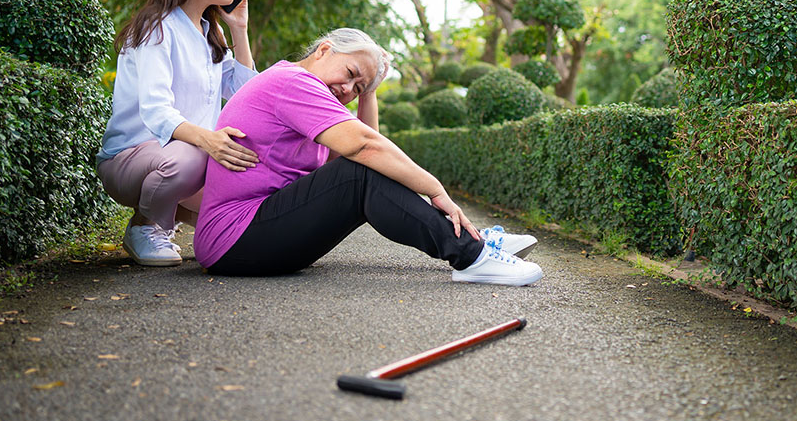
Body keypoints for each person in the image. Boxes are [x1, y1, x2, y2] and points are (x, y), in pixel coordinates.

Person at [194, 28, 542, 286]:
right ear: (324, 50)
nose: (348, 90)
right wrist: (436, 190)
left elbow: (367, 148)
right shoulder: (294, 82)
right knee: (359, 171)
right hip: (233, 239)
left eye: (357, 88)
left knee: (362, 168)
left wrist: (368, 93)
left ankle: (472, 238)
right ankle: (471, 254)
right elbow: (364, 149)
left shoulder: (308, 95)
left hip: (256, 235)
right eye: (349, 75)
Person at [97, 0, 260, 267]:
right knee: (196, 155)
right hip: (130, 160)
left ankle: (173, 212)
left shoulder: (207, 33)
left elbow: (246, 94)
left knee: (238, 223)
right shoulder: (156, 28)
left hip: (187, 160)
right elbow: (157, 112)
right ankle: (146, 225)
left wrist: (240, 30)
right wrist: (210, 141)